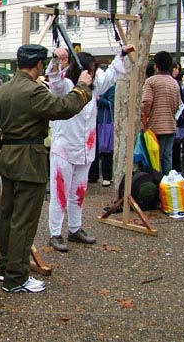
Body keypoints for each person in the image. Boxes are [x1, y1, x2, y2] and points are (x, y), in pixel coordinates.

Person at [0, 44, 93, 293]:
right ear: (39, 65)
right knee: (24, 221)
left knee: (9, 217)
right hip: (29, 160)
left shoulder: (5, 88)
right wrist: (83, 88)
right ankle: (16, 277)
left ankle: (5, 268)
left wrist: (2, 140)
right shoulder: (33, 90)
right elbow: (64, 108)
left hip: (9, 157)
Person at [47, 45, 136, 253]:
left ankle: (75, 228)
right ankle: (55, 233)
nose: (94, 74)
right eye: (91, 70)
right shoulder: (66, 85)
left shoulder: (94, 87)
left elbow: (111, 75)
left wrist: (122, 53)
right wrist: (55, 60)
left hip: (85, 150)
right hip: (64, 148)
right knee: (60, 193)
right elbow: (54, 81)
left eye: (95, 71)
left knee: (78, 192)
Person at [141, 51, 182, 177]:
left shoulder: (151, 81)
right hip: (171, 126)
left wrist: (144, 119)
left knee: (154, 159)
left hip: (155, 127)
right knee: (167, 157)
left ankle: (156, 184)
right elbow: (178, 105)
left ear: (155, 66)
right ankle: (167, 184)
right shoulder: (174, 83)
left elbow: (147, 102)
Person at [88, 85, 115, 187]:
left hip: (105, 121)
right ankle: (93, 175)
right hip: (94, 120)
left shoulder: (111, 87)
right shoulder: (95, 86)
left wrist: (99, 99)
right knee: (93, 148)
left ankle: (106, 176)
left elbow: (111, 103)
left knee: (105, 148)